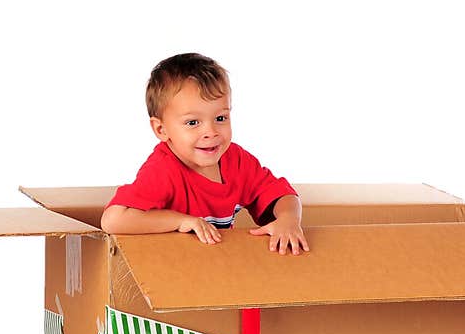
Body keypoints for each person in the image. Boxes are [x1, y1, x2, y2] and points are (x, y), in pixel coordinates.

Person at [101, 52, 309, 256]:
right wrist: (181, 220)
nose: (211, 132)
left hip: (216, 268)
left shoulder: (236, 160)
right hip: (171, 271)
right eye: (192, 123)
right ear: (161, 130)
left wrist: (288, 220)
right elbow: (113, 220)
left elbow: (283, 194)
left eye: (220, 118)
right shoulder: (163, 170)